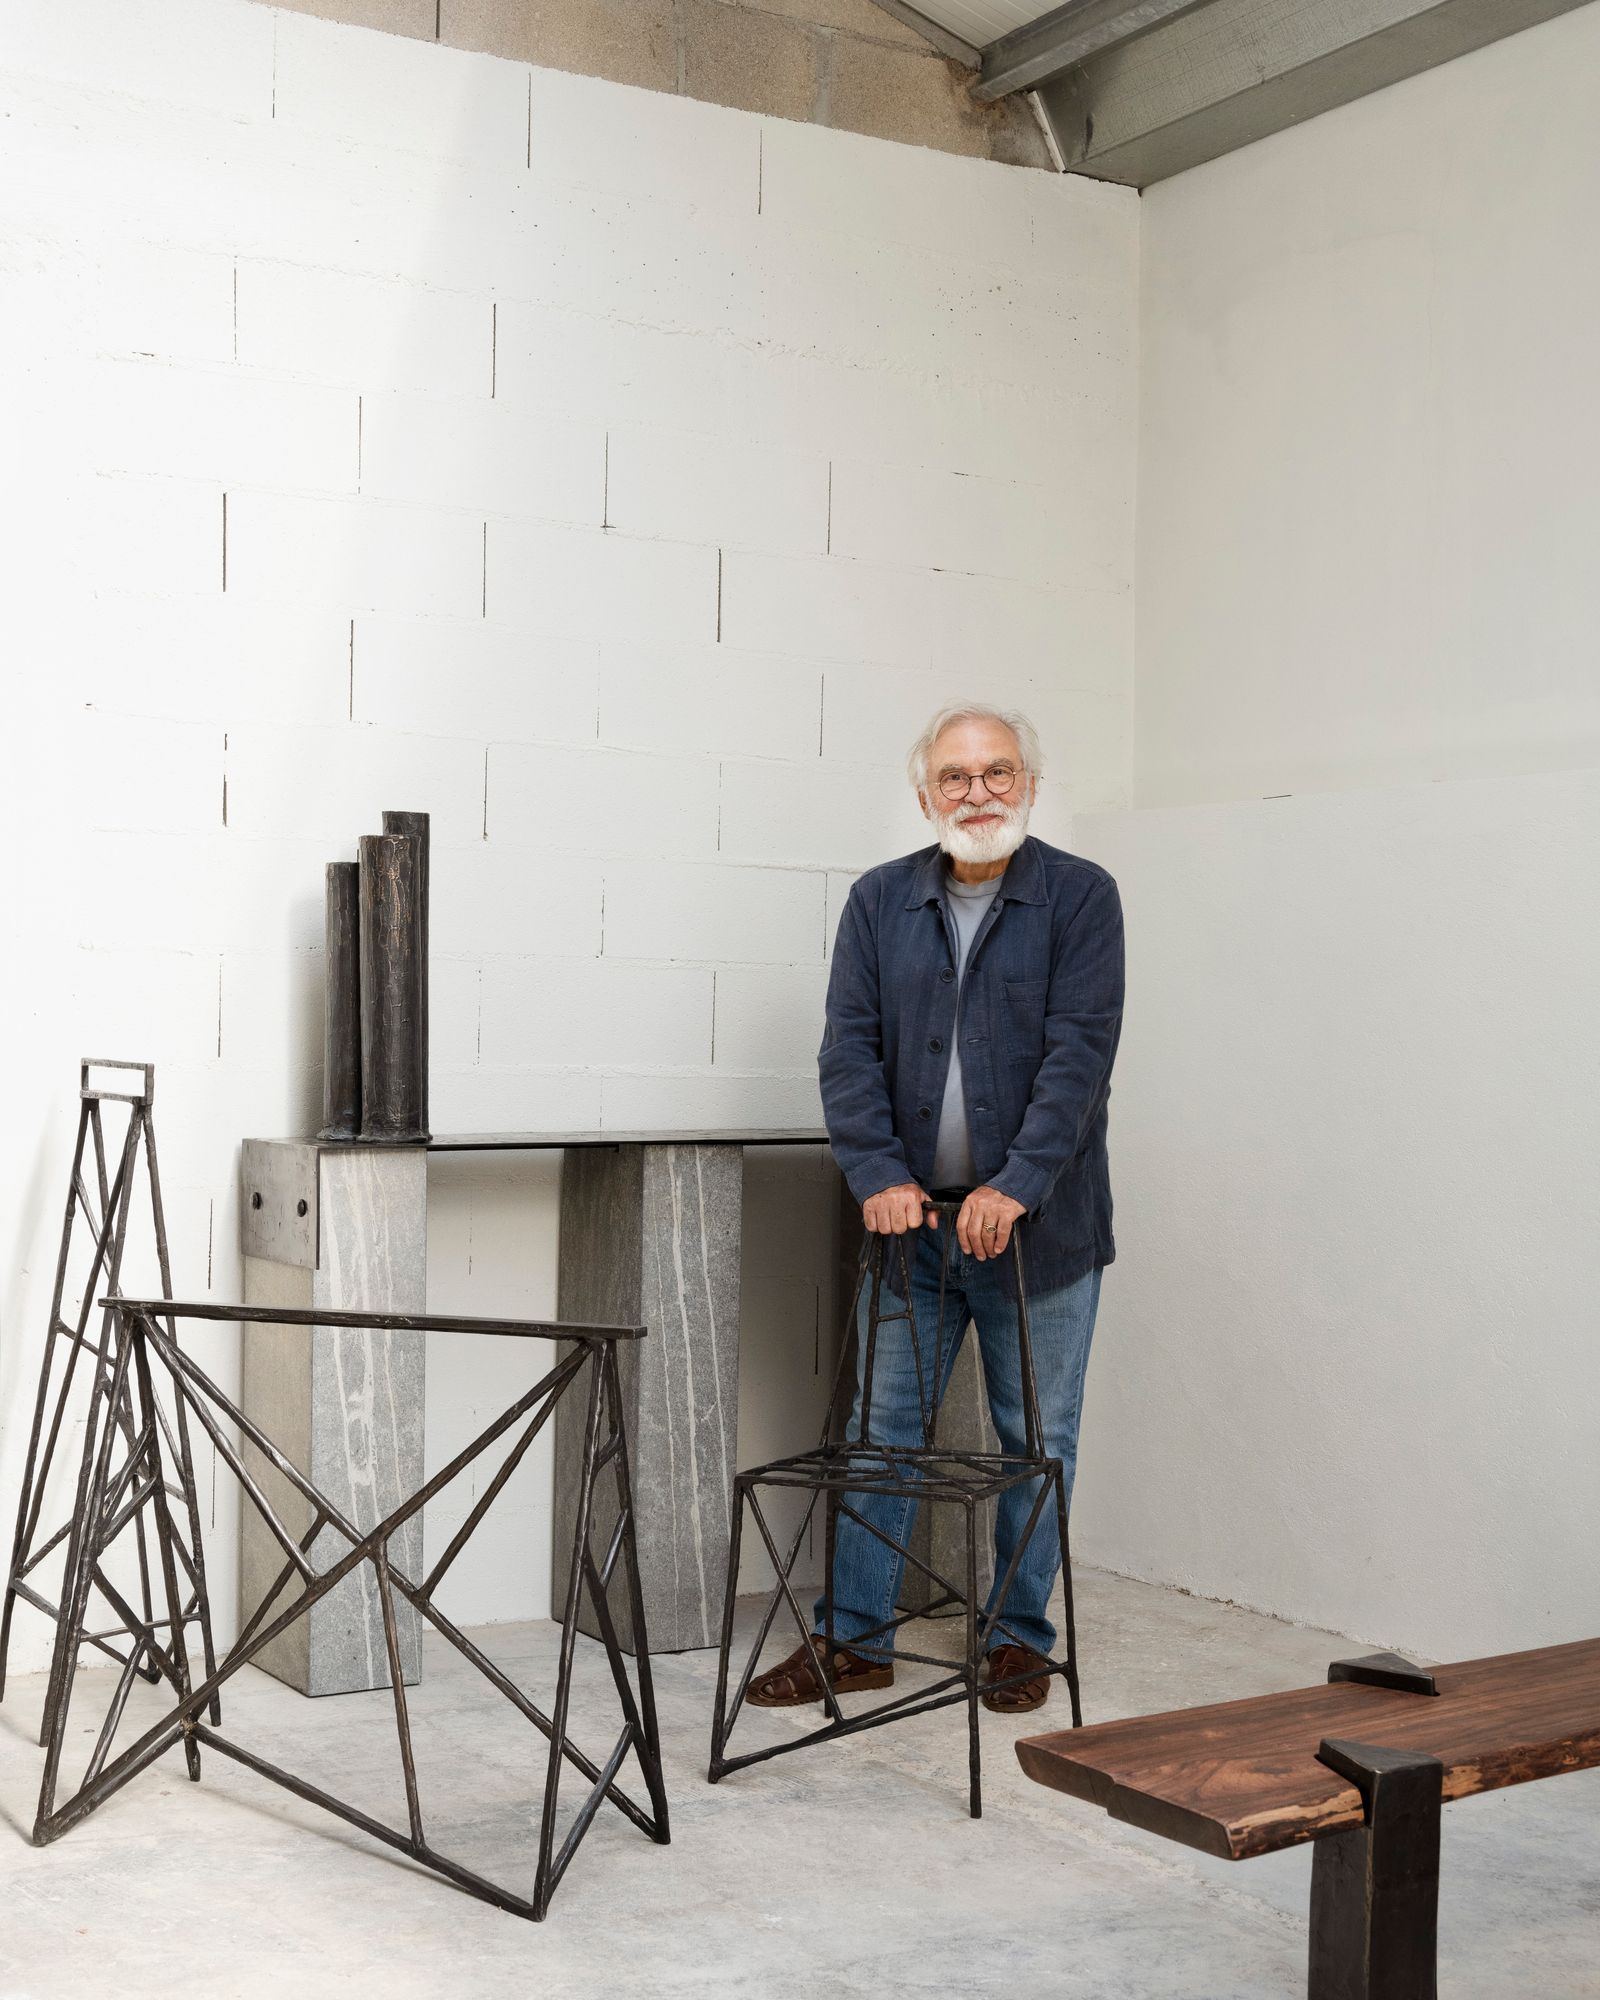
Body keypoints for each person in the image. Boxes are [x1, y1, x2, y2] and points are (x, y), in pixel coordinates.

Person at [748, 702, 1124, 1714]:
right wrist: (873, 1171)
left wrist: (1015, 1185)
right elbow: (847, 1050)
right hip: (911, 1231)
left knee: (1033, 1444)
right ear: (925, 795)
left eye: (997, 772)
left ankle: (1016, 1640)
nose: (978, 792)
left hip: (1037, 1235)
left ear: (1029, 786)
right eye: (955, 777)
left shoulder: (1082, 898)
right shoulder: (877, 902)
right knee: (879, 1435)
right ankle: (855, 1639)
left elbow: (1077, 1060)